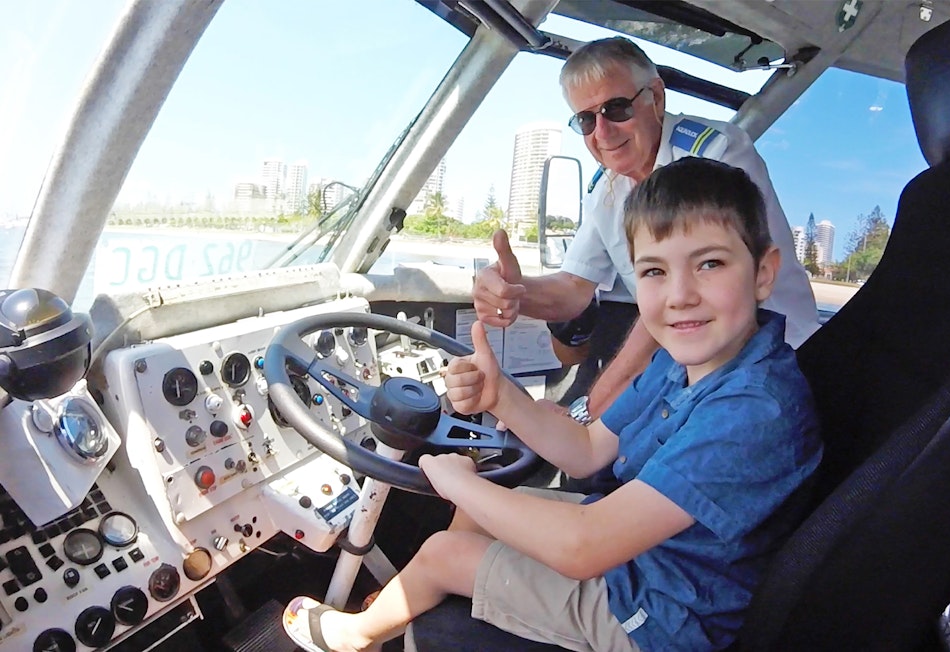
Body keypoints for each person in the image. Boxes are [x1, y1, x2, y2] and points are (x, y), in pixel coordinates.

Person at [282, 157, 823, 652]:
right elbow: (587, 450)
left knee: (447, 548)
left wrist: (454, 479)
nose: (679, 294)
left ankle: (353, 637)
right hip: (649, 563)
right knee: (475, 509)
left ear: (763, 273)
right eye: (654, 271)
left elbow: (584, 548)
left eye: (708, 264)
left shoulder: (754, 409)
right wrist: (501, 397)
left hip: (661, 617)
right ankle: (424, 605)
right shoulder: (681, 363)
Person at [473, 37, 819, 418]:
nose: (602, 133)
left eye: (616, 108)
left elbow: (678, 301)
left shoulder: (714, 156)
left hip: (773, 366)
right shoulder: (608, 188)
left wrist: (590, 407)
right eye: (586, 119)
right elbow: (574, 288)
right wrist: (515, 293)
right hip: (694, 361)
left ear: (656, 96)